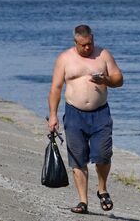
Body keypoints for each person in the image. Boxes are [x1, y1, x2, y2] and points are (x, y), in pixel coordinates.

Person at [48, 24, 123, 214]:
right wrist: (53, 116)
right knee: (78, 159)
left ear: (93, 39)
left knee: (103, 155)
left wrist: (105, 80)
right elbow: (56, 88)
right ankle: (83, 201)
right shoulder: (65, 59)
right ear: (76, 42)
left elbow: (119, 80)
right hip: (74, 114)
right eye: (83, 45)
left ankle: (102, 189)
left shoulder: (103, 55)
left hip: (100, 113)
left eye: (89, 44)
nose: (87, 48)